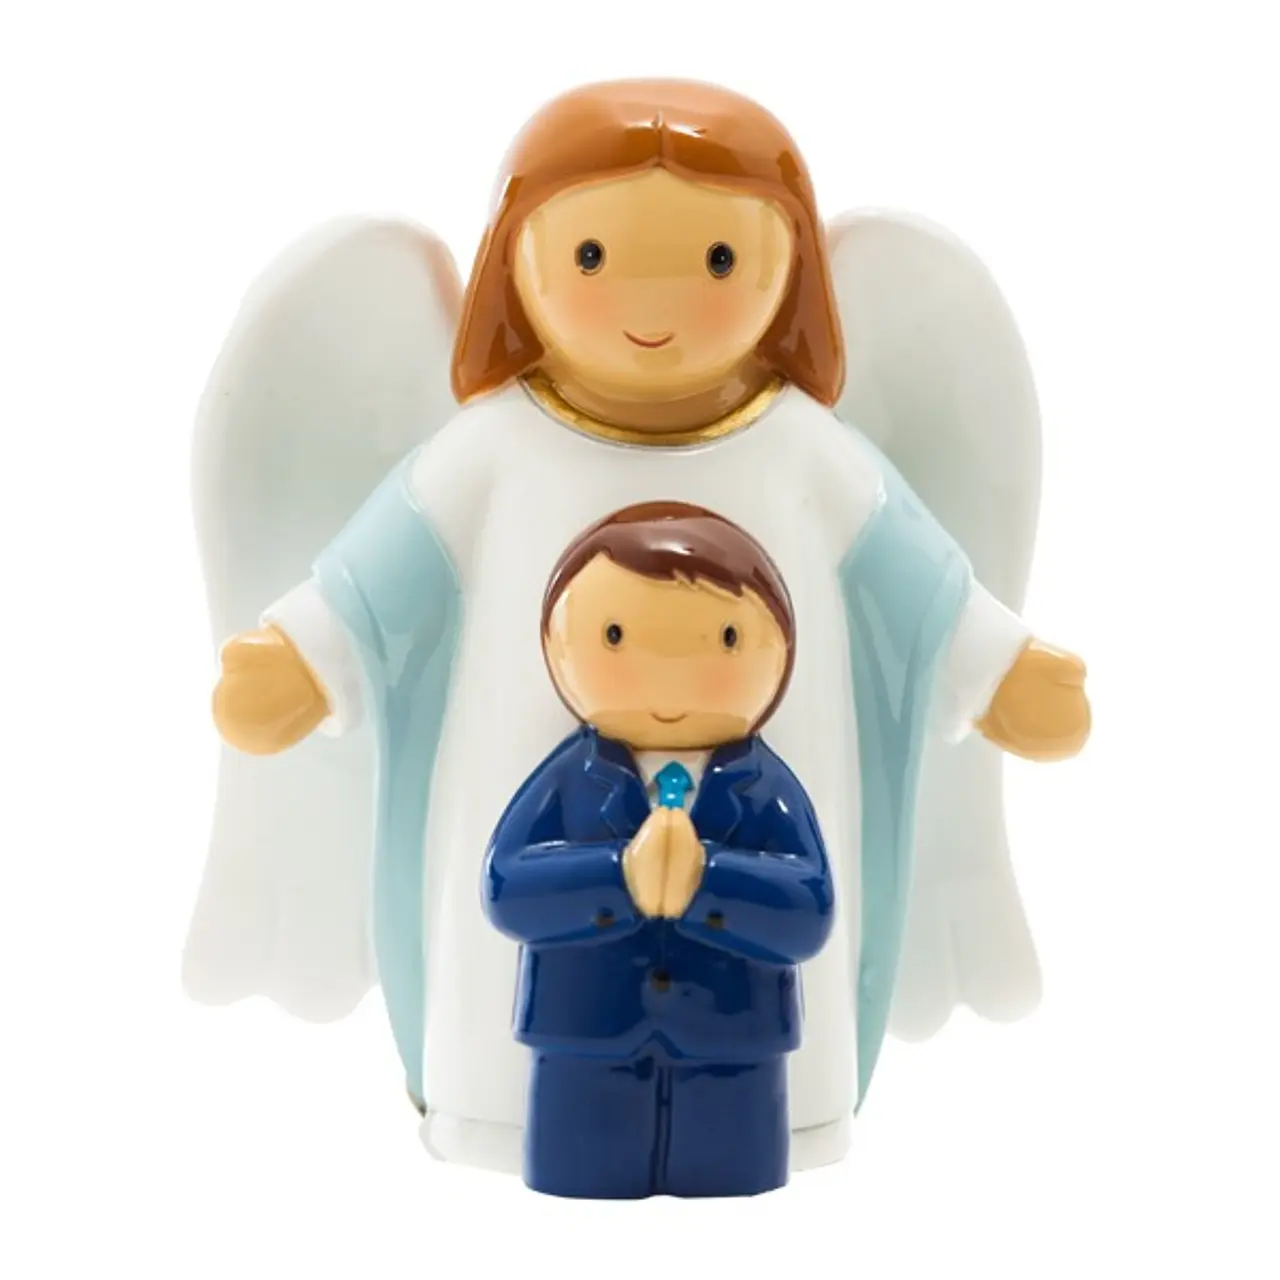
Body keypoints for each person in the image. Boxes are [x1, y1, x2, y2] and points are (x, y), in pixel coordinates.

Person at [193, 78, 1090, 1174]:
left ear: (785, 271)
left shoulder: (807, 457)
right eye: (590, 257)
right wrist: (302, 656)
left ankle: (785, 1119)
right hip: (532, 896)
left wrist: (1001, 671)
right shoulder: (491, 454)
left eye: (717, 259)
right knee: (509, 961)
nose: (648, 304)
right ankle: (495, 1109)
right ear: (518, 263)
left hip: (758, 933)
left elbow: (927, 594)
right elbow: (368, 587)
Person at [484, 502, 834, 1198]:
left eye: (726, 639)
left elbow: (810, 912)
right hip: (584, 1034)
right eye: (614, 636)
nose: (669, 677)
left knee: (730, 1189)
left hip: (734, 1045)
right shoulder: (570, 781)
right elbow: (507, 887)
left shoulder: (765, 790)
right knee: (582, 1183)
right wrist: (620, 878)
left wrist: (709, 881)